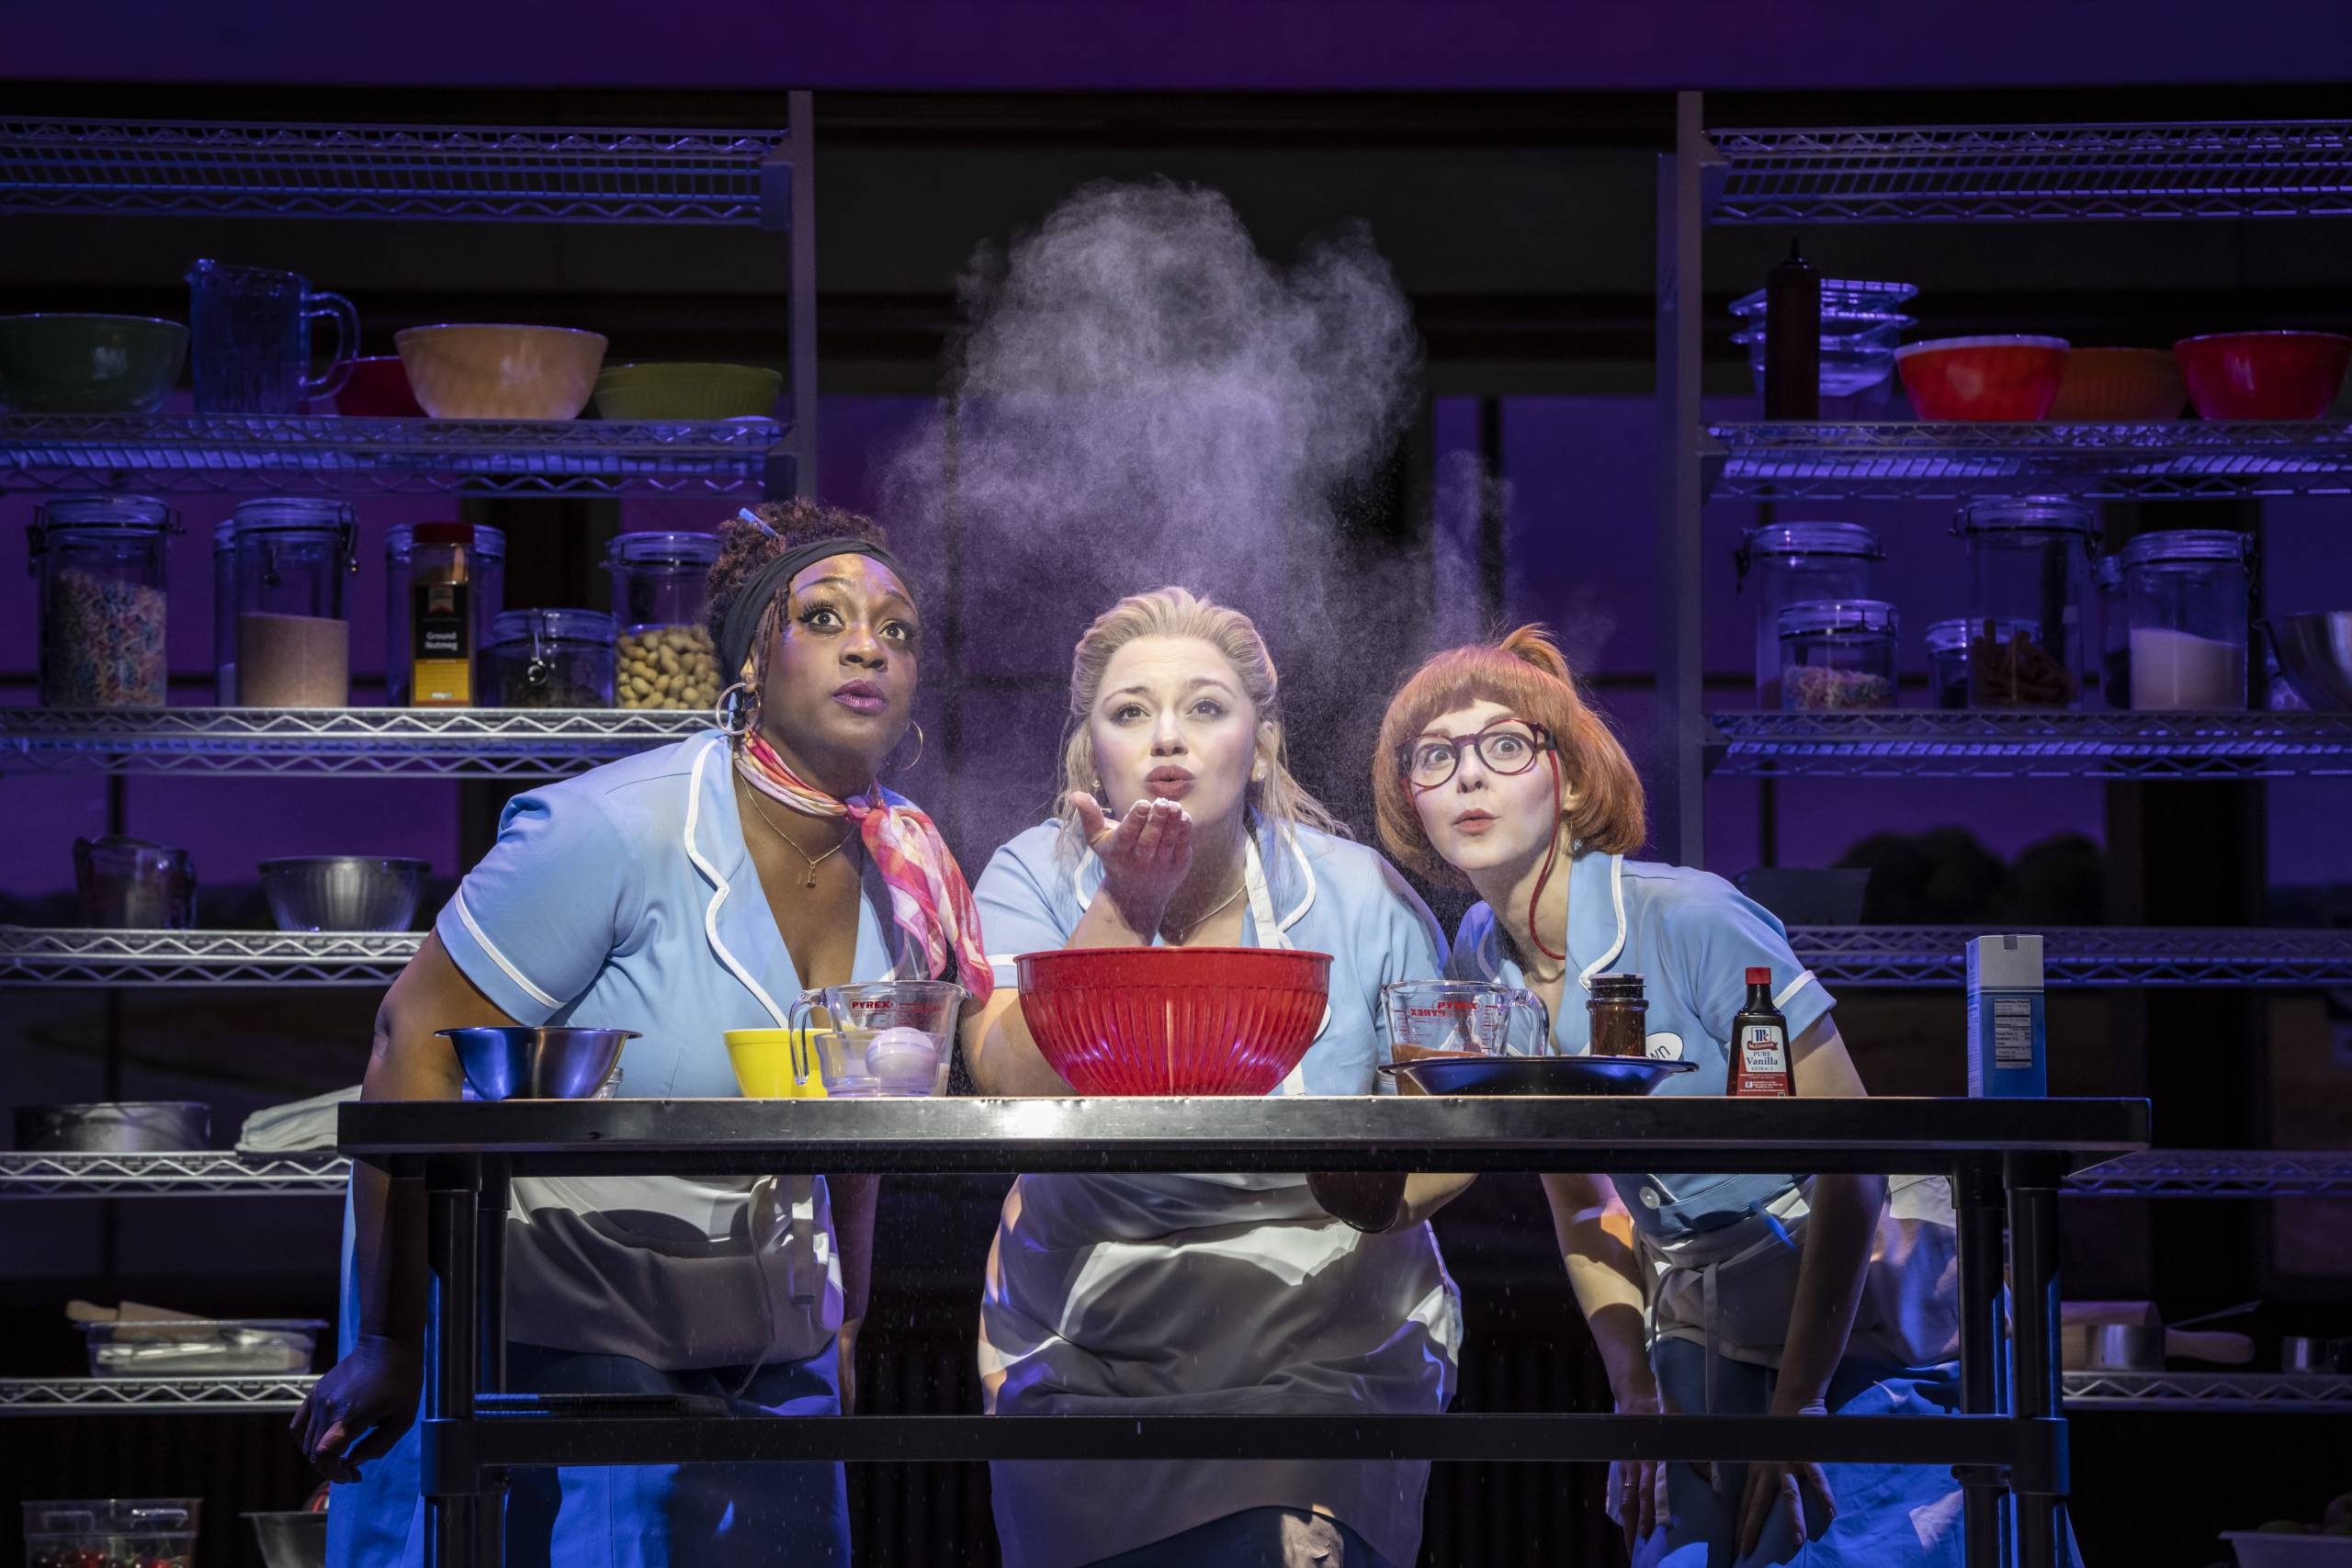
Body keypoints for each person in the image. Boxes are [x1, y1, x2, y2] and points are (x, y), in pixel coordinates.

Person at [291, 501, 990, 1568]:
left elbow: (858, 1125)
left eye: (896, 630)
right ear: (751, 661)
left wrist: (845, 1325)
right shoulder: (614, 831)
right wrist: (389, 1338)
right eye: (824, 617)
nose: (869, 646)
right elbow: (412, 1038)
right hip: (575, 1350)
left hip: (774, 1349)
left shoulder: (904, 878)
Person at [1373, 626, 1972, 1568]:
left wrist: (1800, 1404)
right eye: (1435, 757)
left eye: (1505, 745)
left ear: (1570, 781)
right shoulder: (1481, 955)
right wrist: (1635, 1388)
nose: (1468, 776)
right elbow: (1582, 1200)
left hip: (1856, 1304)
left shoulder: (1689, 915)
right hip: (1701, 1313)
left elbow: (1852, 1162)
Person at [962, 586, 1467, 1568]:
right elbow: (1007, 1074)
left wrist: (1380, 1200)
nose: (1167, 737)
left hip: (1324, 1343)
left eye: (1204, 707)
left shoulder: (1360, 894)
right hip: (1084, 1341)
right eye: (1129, 711)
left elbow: (1450, 1111)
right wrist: (1123, 905)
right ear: (1090, 753)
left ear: (1262, 745)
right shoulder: (1031, 876)